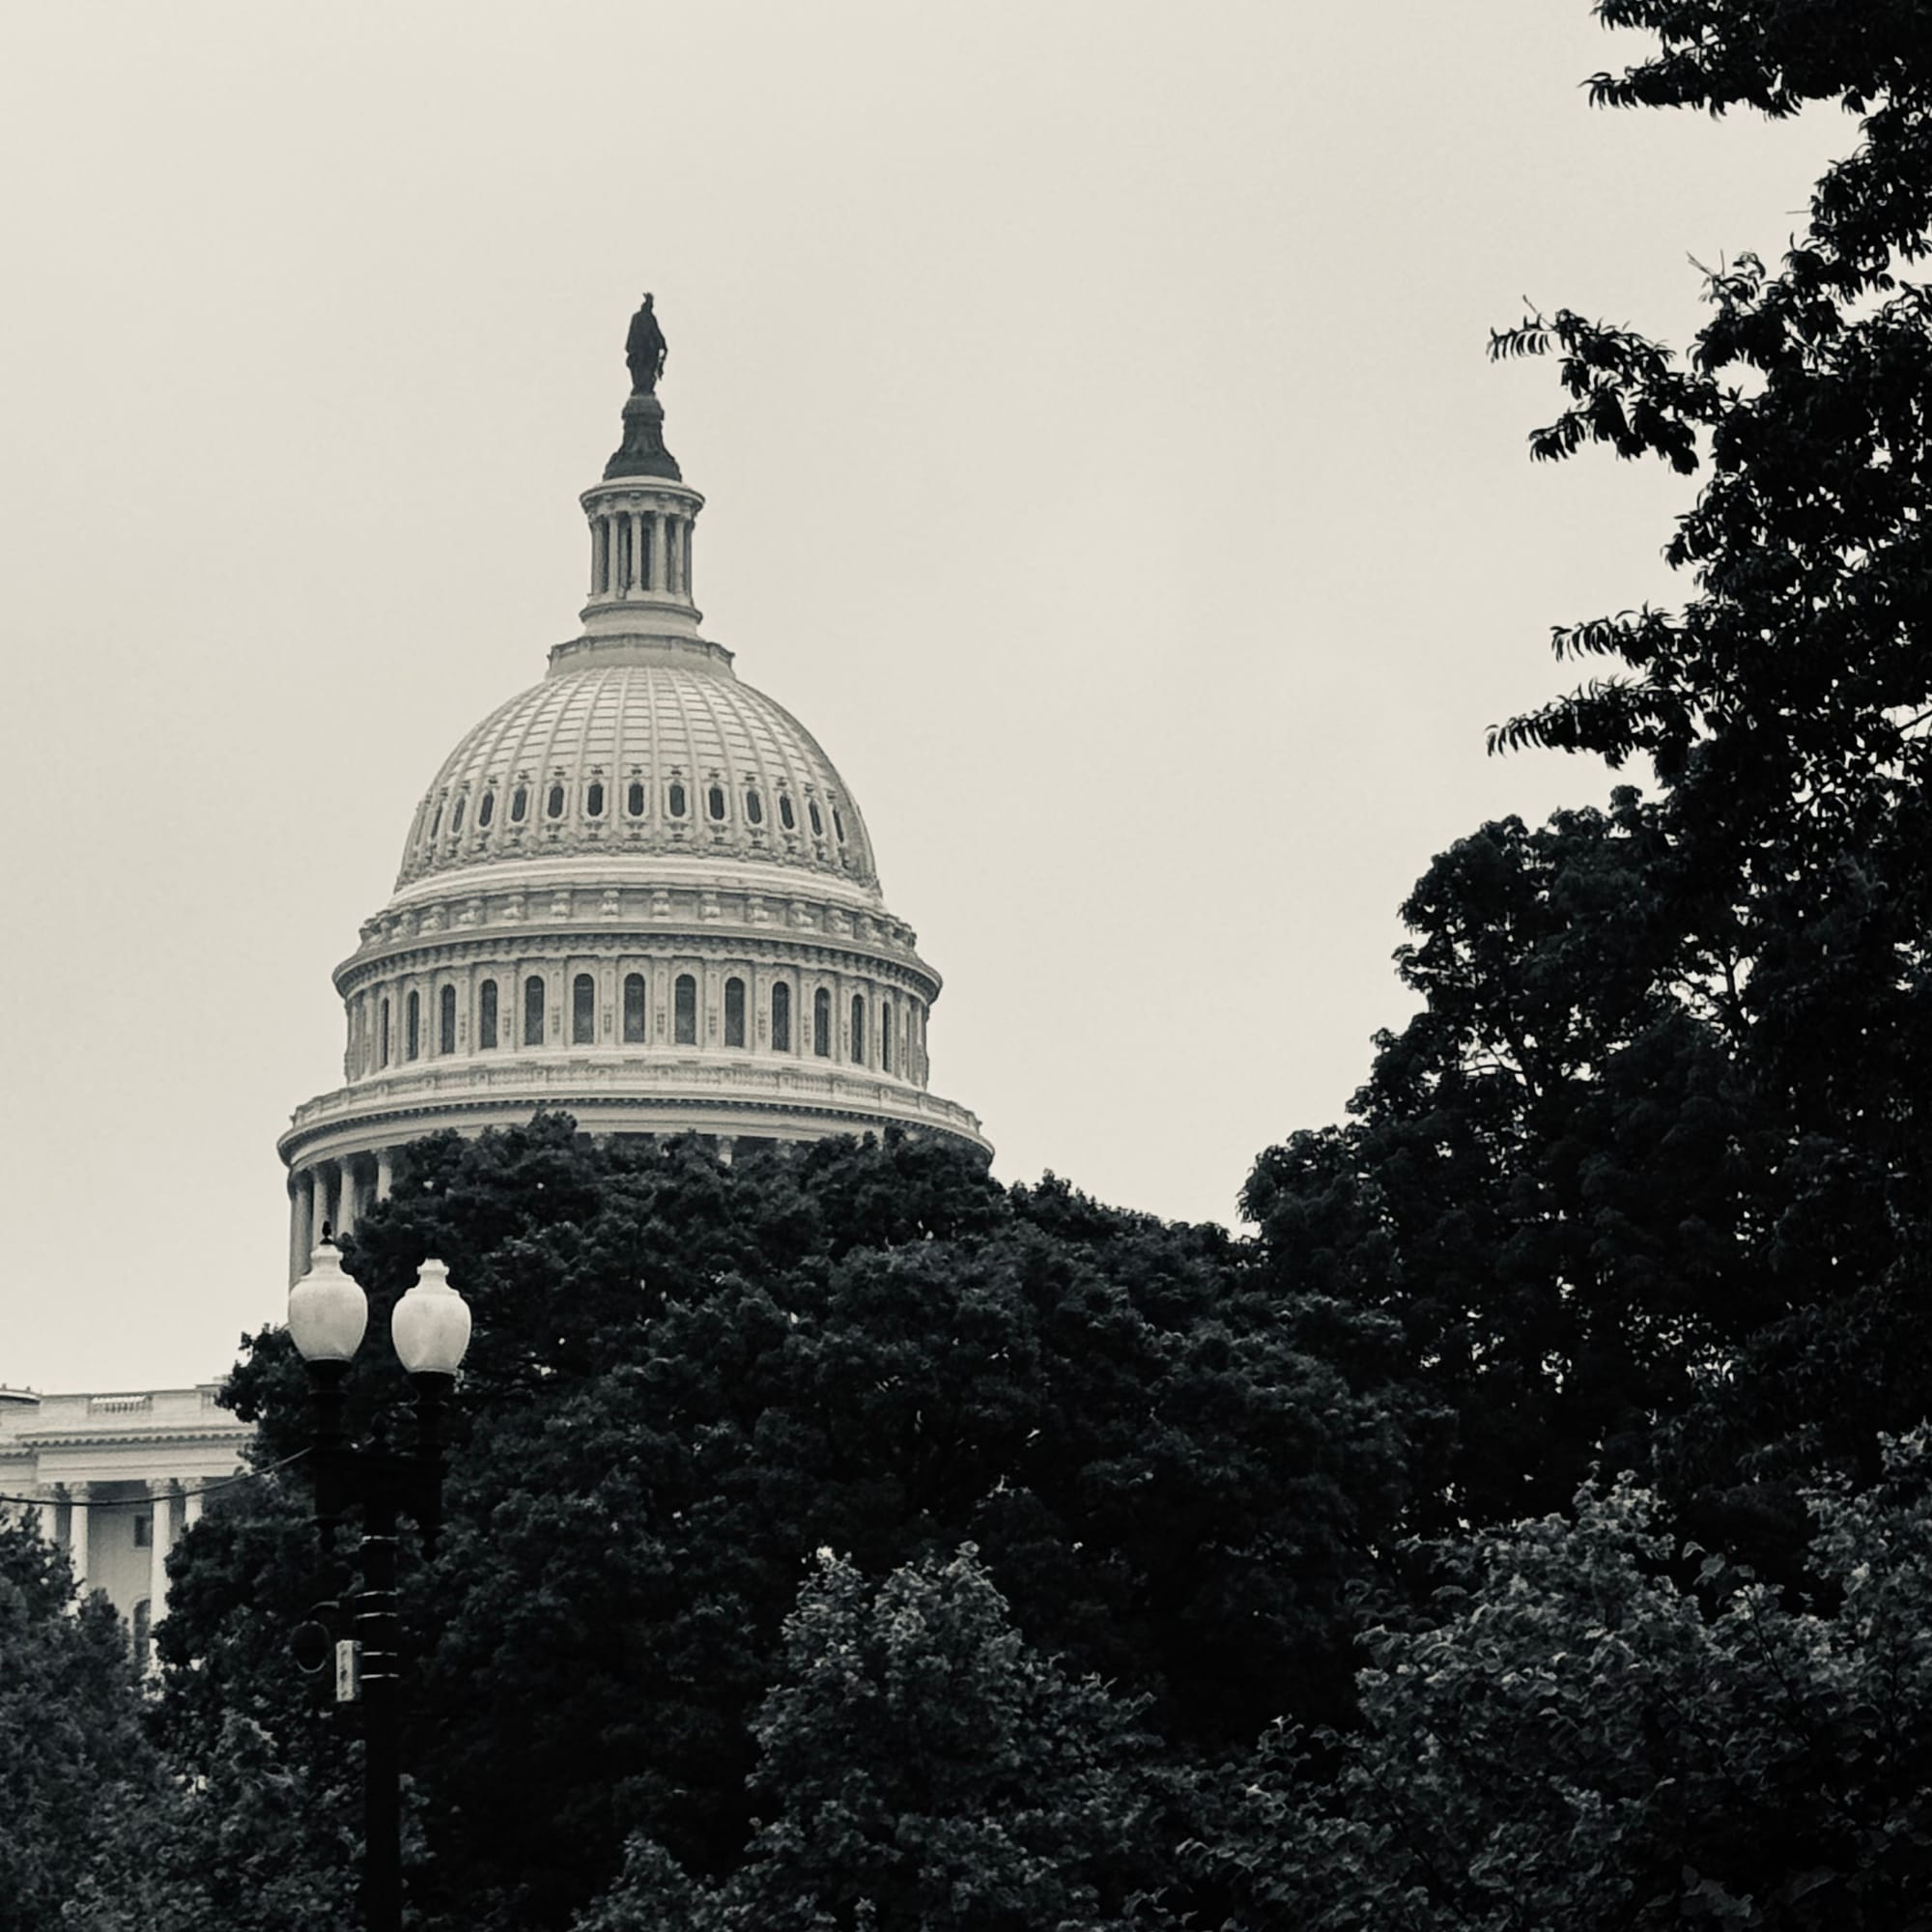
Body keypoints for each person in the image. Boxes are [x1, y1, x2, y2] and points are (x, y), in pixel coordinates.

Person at [625, 294, 668, 393]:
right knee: (643, 372)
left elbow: (656, 333)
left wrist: (663, 345)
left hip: (646, 353)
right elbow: (656, 334)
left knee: (646, 373)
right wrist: (663, 345)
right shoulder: (643, 317)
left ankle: (644, 387)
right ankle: (642, 387)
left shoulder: (646, 317)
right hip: (643, 352)